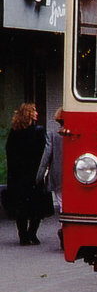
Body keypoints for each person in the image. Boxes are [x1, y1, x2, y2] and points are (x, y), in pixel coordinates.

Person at [4, 103, 47, 245]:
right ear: (29, 114)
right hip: (33, 174)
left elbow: (9, 152)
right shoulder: (38, 131)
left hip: (17, 175)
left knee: (20, 208)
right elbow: (43, 152)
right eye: (34, 111)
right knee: (37, 208)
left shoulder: (14, 132)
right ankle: (32, 234)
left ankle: (23, 236)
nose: (36, 114)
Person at [38, 109, 64, 245]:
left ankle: (64, 229)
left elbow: (46, 156)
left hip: (58, 175)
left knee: (62, 204)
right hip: (78, 176)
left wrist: (40, 176)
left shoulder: (53, 134)